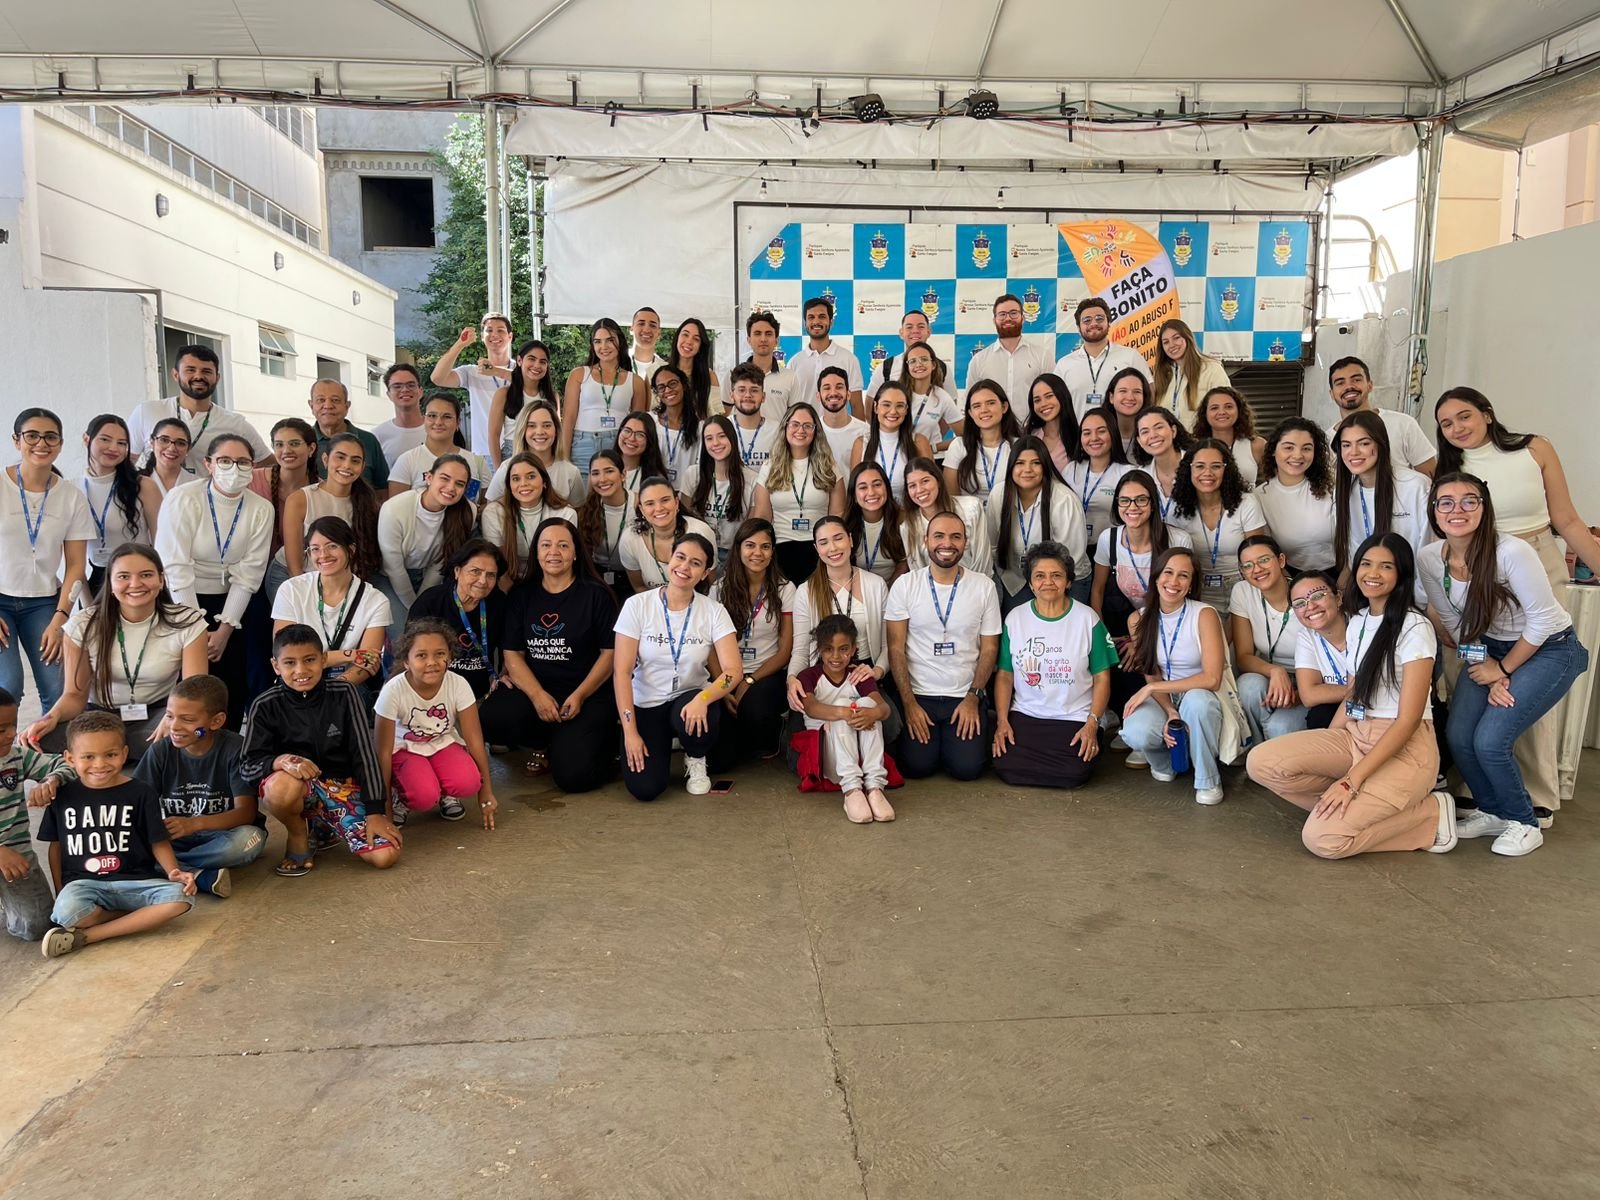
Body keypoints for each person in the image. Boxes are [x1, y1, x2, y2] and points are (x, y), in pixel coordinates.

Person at [1434, 385, 1600, 827]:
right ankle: (1474, 789)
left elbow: (1567, 519)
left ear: (1487, 414)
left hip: (1535, 557)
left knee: (1531, 675)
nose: (1457, 428)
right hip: (1474, 564)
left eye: (1464, 416)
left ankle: (1536, 791)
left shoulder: (1534, 448)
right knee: (1470, 672)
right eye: (1446, 423)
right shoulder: (1450, 467)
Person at [1246, 533, 1457, 859]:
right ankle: (1346, 811)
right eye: (1366, 564)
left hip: (1404, 747)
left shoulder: (1415, 627)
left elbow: (1408, 720)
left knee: (1323, 840)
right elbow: (1355, 693)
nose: (1373, 573)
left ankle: (1430, 814)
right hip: (1356, 735)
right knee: (1260, 762)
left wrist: (1350, 782)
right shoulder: (1359, 622)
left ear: (1401, 573)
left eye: (1386, 566)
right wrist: (1327, 744)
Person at [1419, 474, 1588, 857]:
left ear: (1485, 508)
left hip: (1550, 648)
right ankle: (1493, 810)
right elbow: (1457, 622)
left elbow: (1543, 621)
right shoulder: (1430, 558)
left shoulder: (1511, 551)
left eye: (1469, 500)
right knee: (1460, 736)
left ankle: (1524, 822)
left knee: (1490, 740)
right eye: (1446, 502)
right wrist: (1487, 666)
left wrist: (1504, 670)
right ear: (1434, 511)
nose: (1457, 510)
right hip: (1489, 649)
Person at [242, 624, 402, 877]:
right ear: (276, 666)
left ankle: (323, 827)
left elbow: (364, 754)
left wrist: (376, 812)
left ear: (324, 660)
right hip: (299, 790)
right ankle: (298, 834)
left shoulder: (344, 693)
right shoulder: (264, 705)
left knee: (385, 856)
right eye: (290, 663)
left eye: (309, 660)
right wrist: (280, 761)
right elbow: (247, 766)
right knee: (280, 787)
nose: (300, 670)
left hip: (343, 788)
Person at [35, 710, 196, 958]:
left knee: (181, 898)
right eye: (88, 757)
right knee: (65, 914)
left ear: (124, 753)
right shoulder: (63, 796)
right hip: (84, 884)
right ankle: (132, 918)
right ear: (70, 758)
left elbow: (158, 840)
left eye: (110, 755)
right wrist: (60, 890)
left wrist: (173, 871)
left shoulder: (142, 792)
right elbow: (55, 847)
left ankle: (90, 936)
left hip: (136, 881)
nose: (100, 764)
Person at [24, 543, 208, 755]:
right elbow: (74, 695)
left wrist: (173, 719)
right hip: (99, 719)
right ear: (110, 584)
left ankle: (114, 753)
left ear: (161, 580)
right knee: (39, 739)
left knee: (197, 733)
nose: (135, 584)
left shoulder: (187, 622)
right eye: (123, 576)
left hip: (158, 715)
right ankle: (122, 752)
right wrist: (51, 717)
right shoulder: (82, 624)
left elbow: (194, 691)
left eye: (146, 575)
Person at [479, 517, 618, 789]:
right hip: (538, 687)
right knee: (492, 718)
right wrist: (537, 695)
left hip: (586, 692)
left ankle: (601, 741)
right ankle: (541, 743)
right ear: (536, 552)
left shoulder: (597, 595)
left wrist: (580, 695)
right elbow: (512, 654)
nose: (554, 552)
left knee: (574, 779)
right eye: (546, 545)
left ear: (575, 553)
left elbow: (609, 654)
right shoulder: (521, 594)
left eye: (563, 545)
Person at [613, 532, 743, 801]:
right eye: (680, 557)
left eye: (695, 563)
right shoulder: (637, 605)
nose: (684, 567)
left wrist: (704, 698)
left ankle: (696, 757)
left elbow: (733, 671)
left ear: (705, 573)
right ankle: (663, 743)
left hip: (690, 697)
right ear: (669, 560)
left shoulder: (713, 611)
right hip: (647, 702)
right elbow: (622, 673)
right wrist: (630, 733)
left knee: (700, 714)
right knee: (645, 789)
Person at [154, 435, 273, 727]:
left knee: (230, 681)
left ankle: (226, 744)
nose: (234, 469)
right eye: (225, 461)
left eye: (243, 462)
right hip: (182, 599)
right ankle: (185, 742)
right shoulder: (183, 498)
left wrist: (224, 631)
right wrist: (195, 627)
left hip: (232, 603)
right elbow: (175, 567)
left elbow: (249, 574)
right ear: (208, 464)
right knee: (188, 683)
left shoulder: (261, 508)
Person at [885, 511, 1002, 781]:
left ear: (965, 543)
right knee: (916, 768)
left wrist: (973, 697)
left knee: (967, 769)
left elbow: (989, 649)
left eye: (955, 537)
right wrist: (909, 703)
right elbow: (895, 648)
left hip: (964, 694)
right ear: (925, 541)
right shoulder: (905, 585)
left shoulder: (983, 587)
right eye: (939, 536)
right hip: (919, 695)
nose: (947, 543)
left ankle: (978, 722)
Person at [992, 541, 1117, 789]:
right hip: (1027, 712)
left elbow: (1102, 677)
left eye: (1056, 575)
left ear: (1069, 582)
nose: (1048, 582)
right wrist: (1002, 721)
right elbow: (1005, 675)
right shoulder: (1015, 618)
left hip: (1074, 714)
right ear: (1030, 583)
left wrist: (1092, 723)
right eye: (1039, 576)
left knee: (1073, 773)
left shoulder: (1087, 619)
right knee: (1007, 766)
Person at [1118, 547, 1235, 805]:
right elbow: (1152, 673)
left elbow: (1212, 678)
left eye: (1183, 575)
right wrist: (1170, 710)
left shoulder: (1204, 614)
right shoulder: (1137, 619)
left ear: (1191, 584)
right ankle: (1165, 762)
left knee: (1196, 702)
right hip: (1165, 696)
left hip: (1203, 695)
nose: (1174, 582)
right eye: (1168, 573)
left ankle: (1207, 779)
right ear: (1156, 577)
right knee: (1136, 730)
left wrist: (1151, 689)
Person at [133, 676, 264, 898]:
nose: (174, 726)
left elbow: (246, 813)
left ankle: (169, 868)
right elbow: (138, 803)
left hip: (221, 836)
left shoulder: (235, 749)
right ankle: (198, 874)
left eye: (187, 719)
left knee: (249, 840)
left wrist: (194, 824)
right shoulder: (160, 751)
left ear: (216, 721)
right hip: (173, 839)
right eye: (169, 716)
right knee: (133, 841)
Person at [1089, 470, 1195, 739]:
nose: (1132, 507)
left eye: (1141, 500)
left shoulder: (1177, 540)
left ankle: (1164, 722)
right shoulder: (1109, 539)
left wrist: (1140, 640)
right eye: (1125, 500)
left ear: (1153, 503)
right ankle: (1125, 719)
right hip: (1127, 619)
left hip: (1168, 620)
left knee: (1140, 655)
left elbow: (1184, 594)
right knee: (1119, 655)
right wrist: (1103, 638)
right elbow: (1098, 590)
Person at [2, 409, 93, 716]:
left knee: (57, 688)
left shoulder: (72, 497)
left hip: (43, 603)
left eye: (50, 437)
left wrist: (60, 618)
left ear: (61, 444)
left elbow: (76, 566)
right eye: (32, 436)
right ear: (17, 441)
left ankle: (47, 748)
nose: (41, 443)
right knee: (8, 685)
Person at [376, 619, 498, 829]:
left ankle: (445, 794)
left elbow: (475, 740)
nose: (432, 662)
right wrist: (383, 807)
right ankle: (400, 796)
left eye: (440, 654)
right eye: (421, 655)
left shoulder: (458, 684)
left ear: (449, 657)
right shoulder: (393, 690)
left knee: (469, 782)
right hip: (405, 748)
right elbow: (383, 753)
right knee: (423, 797)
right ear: (406, 661)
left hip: (442, 742)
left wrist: (486, 791)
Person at [708, 518, 794, 766]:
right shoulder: (719, 589)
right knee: (719, 760)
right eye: (750, 545)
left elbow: (785, 650)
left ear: (773, 551)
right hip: (726, 673)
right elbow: (709, 647)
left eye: (765, 546)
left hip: (766, 673)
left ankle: (772, 729)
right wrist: (723, 686)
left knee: (754, 709)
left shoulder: (785, 589)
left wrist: (749, 680)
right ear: (738, 549)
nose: (757, 553)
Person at [270, 516, 390, 694]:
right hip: (299, 679)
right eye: (315, 549)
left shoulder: (376, 600)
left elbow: (367, 663)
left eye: (332, 546)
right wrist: (349, 654)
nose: (323, 555)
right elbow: (286, 654)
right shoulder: (291, 590)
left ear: (351, 549)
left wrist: (331, 690)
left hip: (348, 684)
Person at [795, 614, 893, 823]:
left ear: (854, 649)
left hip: (860, 756)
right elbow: (811, 708)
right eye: (828, 649)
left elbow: (884, 708)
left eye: (843, 649)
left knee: (868, 704)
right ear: (819, 649)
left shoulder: (858, 675)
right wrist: (845, 712)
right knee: (844, 704)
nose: (836, 656)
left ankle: (874, 787)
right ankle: (851, 791)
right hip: (827, 758)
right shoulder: (809, 676)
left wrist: (873, 713)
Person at [786, 517, 894, 707]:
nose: (833, 548)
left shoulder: (876, 585)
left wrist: (877, 671)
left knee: (888, 719)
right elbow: (801, 650)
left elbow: (888, 644)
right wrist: (792, 679)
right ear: (816, 549)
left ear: (850, 540)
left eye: (838, 538)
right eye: (824, 542)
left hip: (864, 674)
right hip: (823, 674)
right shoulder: (806, 591)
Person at [0, 686, 74, 944]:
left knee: (37, 926)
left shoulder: (16, 756)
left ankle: (11, 905)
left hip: (18, 861)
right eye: (1, 730)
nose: (12, 734)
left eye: (13, 725)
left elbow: (65, 763)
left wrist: (51, 780)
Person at [126, 344, 266, 476]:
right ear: (176, 375)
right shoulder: (147, 411)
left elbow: (267, 462)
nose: (198, 376)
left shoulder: (235, 423)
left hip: (205, 494)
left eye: (206, 371)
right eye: (190, 370)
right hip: (154, 493)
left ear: (217, 378)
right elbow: (127, 459)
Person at [1333, 410, 1432, 589]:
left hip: (1413, 592)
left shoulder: (1415, 486)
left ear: (1381, 444)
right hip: (1371, 589)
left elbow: (1428, 548)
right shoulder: (1347, 492)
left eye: (1364, 443)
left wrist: (1419, 598)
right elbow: (1354, 551)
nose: (1353, 452)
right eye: (1346, 445)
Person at [1167, 438, 1268, 613]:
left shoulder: (1246, 503)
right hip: (1195, 588)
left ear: (1226, 470)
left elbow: (1257, 555)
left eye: (1216, 466)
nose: (1207, 473)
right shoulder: (1177, 507)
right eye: (1199, 466)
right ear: (1189, 469)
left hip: (1243, 584)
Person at [987, 436, 1087, 610]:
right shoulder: (999, 494)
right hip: (1015, 579)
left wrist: (1043, 581)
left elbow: (1072, 557)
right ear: (1011, 466)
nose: (1027, 470)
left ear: (1045, 466)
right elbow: (993, 545)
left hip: (1062, 579)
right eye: (1020, 463)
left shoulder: (1064, 499)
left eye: (1035, 463)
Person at [1230, 535, 1308, 743]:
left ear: (1281, 560)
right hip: (1268, 675)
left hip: (1309, 681)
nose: (1257, 569)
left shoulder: (1305, 593)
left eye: (1264, 560)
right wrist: (1275, 671)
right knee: (1248, 686)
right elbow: (1244, 656)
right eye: (1248, 565)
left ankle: (1268, 747)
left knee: (1279, 728)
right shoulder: (1242, 592)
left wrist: (1303, 692)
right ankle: (1258, 747)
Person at [376, 454, 477, 614]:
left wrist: (423, 600)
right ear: (429, 478)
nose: (451, 488)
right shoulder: (393, 509)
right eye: (445, 478)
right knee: (404, 625)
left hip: (430, 576)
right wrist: (414, 606)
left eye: (459, 484)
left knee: (432, 620)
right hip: (390, 577)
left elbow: (441, 562)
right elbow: (394, 568)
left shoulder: (467, 511)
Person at [754, 402, 845, 581]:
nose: (800, 430)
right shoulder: (770, 467)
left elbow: (838, 514)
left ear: (815, 430)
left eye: (807, 425)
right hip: (780, 547)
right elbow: (762, 515)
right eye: (795, 424)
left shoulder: (829, 467)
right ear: (785, 427)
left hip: (820, 549)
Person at [407, 539, 507, 701]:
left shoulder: (499, 603)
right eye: (475, 571)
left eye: (491, 575)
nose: (483, 581)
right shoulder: (430, 602)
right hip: (434, 691)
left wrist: (504, 674)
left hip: (479, 693)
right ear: (457, 571)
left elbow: (508, 648)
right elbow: (412, 654)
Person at [278, 432, 382, 585]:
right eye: (340, 457)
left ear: (362, 467)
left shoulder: (368, 503)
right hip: (293, 575)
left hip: (340, 577)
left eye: (355, 461)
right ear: (325, 460)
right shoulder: (299, 499)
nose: (347, 465)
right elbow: (294, 566)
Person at [78, 415, 162, 592]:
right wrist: (87, 603)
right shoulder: (74, 489)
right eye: (105, 439)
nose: (113, 448)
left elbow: (162, 543)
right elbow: (73, 561)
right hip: (97, 581)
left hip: (139, 581)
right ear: (86, 439)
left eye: (122, 443)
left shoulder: (143, 486)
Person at [561, 317, 647, 475]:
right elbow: (568, 420)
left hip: (619, 445)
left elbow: (638, 425)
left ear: (620, 341)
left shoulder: (636, 381)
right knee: (581, 491)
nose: (603, 347)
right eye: (597, 342)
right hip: (583, 446)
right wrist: (564, 460)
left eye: (609, 340)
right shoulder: (579, 374)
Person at [1325, 356, 1436, 475]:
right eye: (1340, 383)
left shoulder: (1403, 424)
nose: (1349, 387)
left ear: (1370, 385)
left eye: (1356, 380)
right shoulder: (1327, 440)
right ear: (1331, 394)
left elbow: (1431, 476)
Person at [1255, 417, 1337, 573]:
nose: (1298, 455)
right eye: (1288, 448)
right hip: (1291, 575)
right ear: (1273, 450)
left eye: (1306, 448)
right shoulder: (1260, 497)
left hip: (1340, 573)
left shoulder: (1332, 487)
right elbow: (1267, 552)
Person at [481, 454, 576, 585]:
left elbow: (565, 562)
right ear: (509, 485)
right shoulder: (493, 513)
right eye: (516, 479)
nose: (523, 484)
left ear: (544, 481)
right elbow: (497, 565)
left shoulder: (566, 513)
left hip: (552, 580)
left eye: (531, 477)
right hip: (510, 582)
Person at [431, 313, 516, 456]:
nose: (494, 335)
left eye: (500, 330)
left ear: (510, 336)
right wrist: (460, 344)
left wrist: (496, 371)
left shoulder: (521, 370)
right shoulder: (472, 372)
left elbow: (533, 383)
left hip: (518, 451)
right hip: (484, 453)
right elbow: (437, 378)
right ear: (482, 337)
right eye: (489, 330)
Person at [1053, 298, 1150, 419]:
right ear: (1078, 327)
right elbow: (1055, 403)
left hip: (1120, 431)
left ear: (1109, 323)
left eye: (1099, 319)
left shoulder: (1131, 356)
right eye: (1087, 320)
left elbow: (1149, 394)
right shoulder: (1064, 364)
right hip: (1077, 431)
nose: (1094, 323)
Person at [679, 415, 758, 562]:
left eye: (721, 436)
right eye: (709, 438)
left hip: (735, 554)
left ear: (732, 438)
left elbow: (750, 528)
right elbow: (684, 519)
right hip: (699, 551)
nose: (715, 443)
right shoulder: (692, 475)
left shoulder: (752, 479)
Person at [619, 478, 719, 593]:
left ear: (676, 503)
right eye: (650, 503)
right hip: (652, 603)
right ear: (642, 510)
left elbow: (709, 582)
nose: (659, 508)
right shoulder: (630, 539)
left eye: (665, 500)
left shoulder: (702, 531)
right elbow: (639, 587)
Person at [250, 417, 318, 580]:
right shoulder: (251, 481)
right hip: (249, 573)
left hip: (299, 574)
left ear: (311, 449)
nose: (286, 450)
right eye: (279, 445)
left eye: (294, 443)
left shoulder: (320, 491)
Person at [487, 398, 586, 507]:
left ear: (556, 430)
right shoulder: (506, 469)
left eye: (547, 425)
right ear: (522, 430)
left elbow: (579, 512)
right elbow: (491, 510)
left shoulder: (571, 472)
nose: (539, 432)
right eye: (531, 425)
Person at [387, 393, 489, 496]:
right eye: (432, 416)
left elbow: (487, 503)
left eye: (447, 417)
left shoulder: (477, 463)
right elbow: (396, 504)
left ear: (458, 423)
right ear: (424, 420)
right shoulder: (407, 461)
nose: (438, 422)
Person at [902, 458, 991, 574]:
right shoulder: (908, 527)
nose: (919, 490)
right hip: (934, 585)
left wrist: (973, 584)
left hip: (977, 582)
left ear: (938, 481)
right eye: (912, 486)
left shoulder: (971, 508)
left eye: (925, 481)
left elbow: (982, 560)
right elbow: (918, 573)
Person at [1062, 405, 1129, 560]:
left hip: (1114, 551)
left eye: (1101, 431)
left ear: (1113, 433)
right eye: (1087, 433)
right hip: (1074, 549)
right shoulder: (1071, 469)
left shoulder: (1126, 473)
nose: (1094, 438)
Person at [850, 380, 933, 505]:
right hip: (872, 514)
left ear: (906, 410)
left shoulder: (919, 442)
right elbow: (855, 493)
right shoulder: (861, 443)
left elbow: (930, 489)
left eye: (899, 406)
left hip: (910, 514)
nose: (893, 411)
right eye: (886, 405)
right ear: (875, 407)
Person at [1290, 571, 1351, 730]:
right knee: (1320, 715)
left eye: (1317, 596)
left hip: (1379, 708)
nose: (1310, 606)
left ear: (1338, 598)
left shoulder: (1362, 626)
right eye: (1300, 603)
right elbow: (1309, 695)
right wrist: (1358, 691)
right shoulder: (1307, 636)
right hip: (1351, 702)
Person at [944, 378, 1020, 504]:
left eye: (990, 403)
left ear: (1004, 407)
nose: (984, 410)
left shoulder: (1018, 446)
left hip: (1009, 513)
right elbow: (952, 499)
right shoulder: (959, 446)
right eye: (977, 406)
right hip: (968, 515)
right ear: (970, 413)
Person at [964, 294, 1048, 408]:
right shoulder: (978, 360)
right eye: (1002, 314)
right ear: (994, 320)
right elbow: (970, 401)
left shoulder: (1042, 356)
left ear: (1022, 318)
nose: (1008, 318)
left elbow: (1052, 395)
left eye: (1013, 313)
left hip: (1031, 421)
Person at [308, 377, 389, 491]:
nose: (328, 406)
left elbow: (383, 489)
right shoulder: (304, 441)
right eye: (321, 400)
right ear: (311, 406)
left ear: (347, 406)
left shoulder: (368, 440)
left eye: (335, 400)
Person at [487, 338, 556, 467]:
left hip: (544, 457)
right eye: (531, 359)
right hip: (513, 455)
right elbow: (493, 435)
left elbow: (556, 432)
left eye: (543, 362)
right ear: (519, 360)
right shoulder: (504, 394)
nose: (537, 365)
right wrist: (499, 469)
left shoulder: (551, 396)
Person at [1151, 318, 1231, 429]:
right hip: (1169, 439)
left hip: (1202, 438)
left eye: (1176, 338)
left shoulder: (1211, 368)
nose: (1172, 345)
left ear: (1187, 338)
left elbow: (1226, 409)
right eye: (1166, 342)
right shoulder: (1160, 374)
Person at [789, 295, 863, 412]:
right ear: (805, 323)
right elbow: (789, 407)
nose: (816, 321)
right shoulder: (794, 362)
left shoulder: (848, 359)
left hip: (838, 424)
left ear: (831, 322)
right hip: (804, 424)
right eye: (811, 317)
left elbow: (857, 406)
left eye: (822, 317)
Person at [575, 449, 635, 590]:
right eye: (595, 473)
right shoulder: (587, 509)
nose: (602, 479)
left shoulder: (640, 504)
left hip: (633, 575)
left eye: (609, 471)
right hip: (597, 576)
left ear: (623, 475)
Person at [843, 463, 908, 583]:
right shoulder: (846, 525)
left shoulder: (903, 519)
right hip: (859, 588)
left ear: (886, 488)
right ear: (854, 496)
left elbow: (905, 563)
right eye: (863, 487)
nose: (871, 492)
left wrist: (889, 590)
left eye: (877, 485)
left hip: (896, 587)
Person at [1191, 385, 1266, 486]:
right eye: (1214, 408)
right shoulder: (1193, 447)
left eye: (1228, 407)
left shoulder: (1257, 445)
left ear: (1239, 410)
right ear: (1205, 414)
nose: (1222, 412)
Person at [1130, 406, 1194, 520]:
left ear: (1173, 431)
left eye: (1159, 427)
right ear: (1139, 441)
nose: (1153, 435)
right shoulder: (1140, 476)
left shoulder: (1197, 466)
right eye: (1145, 432)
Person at [648, 363, 702, 487]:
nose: (667, 390)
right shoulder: (650, 421)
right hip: (656, 491)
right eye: (661, 387)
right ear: (656, 392)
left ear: (684, 385)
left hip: (688, 493)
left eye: (672, 383)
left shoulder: (699, 426)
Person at [900, 341, 961, 448]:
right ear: (907, 367)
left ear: (933, 365)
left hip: (930, 457)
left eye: (924, 359)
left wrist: (933, 448)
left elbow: (965, 436)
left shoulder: (941, 396)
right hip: (899, 455)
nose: (918, 364)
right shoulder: (896, 393)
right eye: (912, 361)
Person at [726, 362, 782, 470]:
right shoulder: (722, 429)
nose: (748, 395)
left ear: (763, 397)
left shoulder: (777, 431)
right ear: (732, 396)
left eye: (754, 390)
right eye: (741, 390)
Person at [371, 362, 428, 468]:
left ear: (420, 391)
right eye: (397, 386)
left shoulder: (437, 428)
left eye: (411, 385)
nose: (405, 390)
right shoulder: (377, 436)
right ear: (389, 394)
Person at [743, 310, 799, 417]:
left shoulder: (790, 377)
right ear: (749, 340)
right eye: (757, 334)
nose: (763, 339)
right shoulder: (734, 375)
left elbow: (794, 417)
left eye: (768, 334)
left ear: (776, 341)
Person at [864, 310, 932, 395]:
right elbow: (870, 401)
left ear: (929, 332)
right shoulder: (885, 368)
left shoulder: (943, 368)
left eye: (921, 326)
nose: (915, 331)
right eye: (909, 327)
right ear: (901, 333)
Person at [1025, 373, 1081, 474]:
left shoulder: (1079, 438)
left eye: (1049, 396)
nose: (1043, 404)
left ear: (1062, 396)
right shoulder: (1029, 436)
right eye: (1037, 400)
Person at [815, 366, 869, 469]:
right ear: (818, 396)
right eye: (827, 388)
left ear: (848, 394)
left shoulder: (866, 433)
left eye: (839, 387)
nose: (833, 393)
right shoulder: (812, 432)